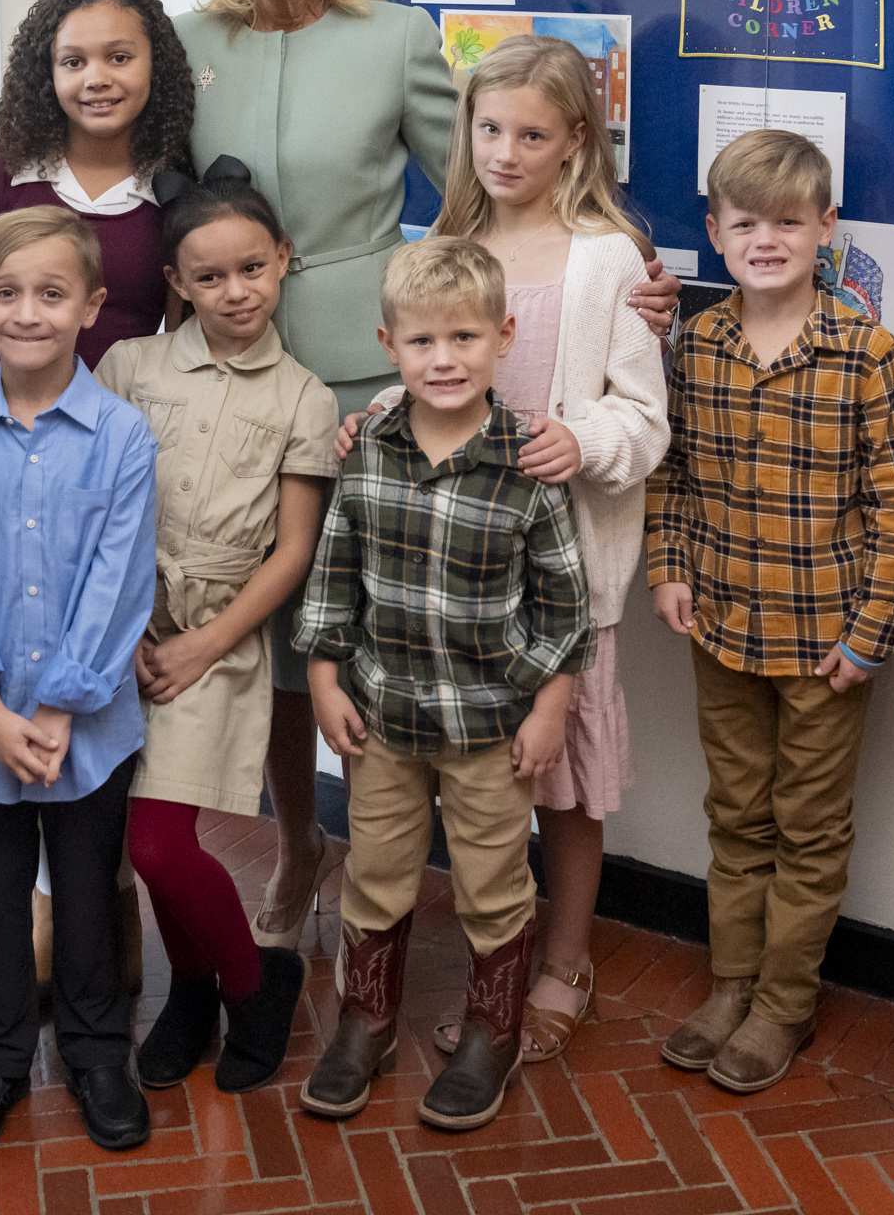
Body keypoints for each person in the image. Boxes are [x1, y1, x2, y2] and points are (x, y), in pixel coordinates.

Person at [0, 0, 673, 950]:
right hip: (212, 364)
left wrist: (619, 258)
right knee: (239, 619)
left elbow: (486, 184)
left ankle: (386, 867)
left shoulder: (395, 39)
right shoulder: (178, 42)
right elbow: (100, 154)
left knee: (355, 619)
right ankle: (282, 841)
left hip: (369, 368)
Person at [331, 35, 669, 1067]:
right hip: (443, 580)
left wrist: (587, 439)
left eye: (533, 133)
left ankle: (563, 961)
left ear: (575, 143)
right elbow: (426, 367)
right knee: (463, 785)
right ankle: (481, 962)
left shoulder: (608, 256)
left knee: (561, 780)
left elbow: (645, 419)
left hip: (556, 571)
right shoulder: (440, 237)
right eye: (490, 128)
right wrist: (375, 420)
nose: (507, 151)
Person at [645, 129, 894, 1093]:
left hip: (825, 645)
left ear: (826, 229)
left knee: (807, 826)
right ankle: (730, 984)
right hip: (721, 625)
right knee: (736, 815)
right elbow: (672, 474)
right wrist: (668, 568)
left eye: (790, 222)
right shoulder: (698, 343)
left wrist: (871, 634)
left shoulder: (866, 352)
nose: (768, 239)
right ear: (716, 234)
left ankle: (782, 1005)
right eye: (746, 222)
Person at [295, 237, 591, 1133]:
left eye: (465, 338)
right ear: (389, 345)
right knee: (376, 872)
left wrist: (549, 709)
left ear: (502, 336)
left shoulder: (527, 463)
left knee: (492, 882)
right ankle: (366, 1020)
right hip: (381, 716)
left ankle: (492, 1031)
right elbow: (333, 573)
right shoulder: (369, 448)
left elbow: (564, 605)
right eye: (423, 343)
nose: (445, 359)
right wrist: (321, 677)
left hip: (490, 727)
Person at [0, 208, 162, 1156]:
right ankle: (0, 1059)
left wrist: (56, 703)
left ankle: (101, 1054)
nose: (26, 313)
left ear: (92, 306)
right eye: (5, 294)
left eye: (51, 294)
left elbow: (118, 580)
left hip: (86, 724)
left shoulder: (121, 437)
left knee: (91, 891)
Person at [96, 170, 336, 1096]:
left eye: (252, 269)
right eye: (210, 278)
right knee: (134, 832)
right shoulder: (131, 370)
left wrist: (203, 644)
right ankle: (191, 985)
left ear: (283, 263)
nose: (235, 292)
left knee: (160, 841)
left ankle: (254, 982)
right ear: (176, 283)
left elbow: (293, 551)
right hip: (123, 635)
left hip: (216, 642)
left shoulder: (303, 398)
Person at [0, 0, 194, 389]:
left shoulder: (174, 194)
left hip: (122, 435)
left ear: (156, 66)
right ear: (48, 74)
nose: (96, 79)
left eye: (119, 57)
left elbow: (178, 348)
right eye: (74, 62)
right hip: (2, 434)